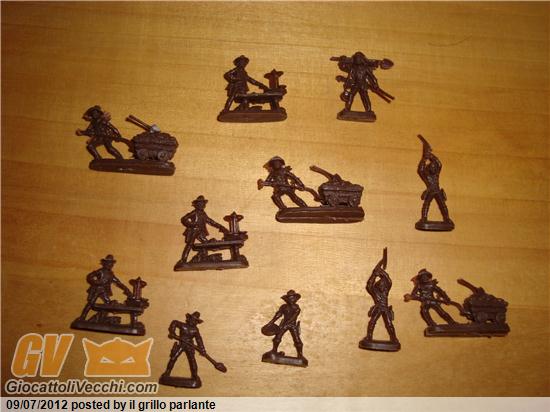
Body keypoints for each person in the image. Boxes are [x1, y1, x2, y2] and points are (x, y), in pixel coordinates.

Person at [78, 255, 132, 320]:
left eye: (112, 263)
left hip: (103, 291)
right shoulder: (100, 271)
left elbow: (118, 283)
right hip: (97, 289)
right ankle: (82, 317)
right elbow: (89, 276)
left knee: (108, 303)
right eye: (109, 263)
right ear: (105, 263)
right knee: (91, 303)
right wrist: (96, 282)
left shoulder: (111, 274)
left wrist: (126, 290)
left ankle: (102, 317)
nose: (111, 265)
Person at [177, 196, 228, 264]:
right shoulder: (194, 212)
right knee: (189, 244)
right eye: (201, 204)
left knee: (205, 243)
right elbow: (184, 219)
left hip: (200, 232)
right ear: (197, 205)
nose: (203, 205)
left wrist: (221, 227)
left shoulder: (203, 213)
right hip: (193, 231)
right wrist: (192, 224)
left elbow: (211, 221)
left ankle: (203, 257)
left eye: (203, 204)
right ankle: (183, 260)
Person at [161, 312, 206, 383]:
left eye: (194, 320)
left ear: (196, 322)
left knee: (192, 360)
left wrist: (202, 349)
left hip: (190, 346)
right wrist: (172, 332)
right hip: (181, 344)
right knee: (173, 358)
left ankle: (194, 376)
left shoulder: (195, 330)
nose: (192, 321)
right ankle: (167, 373)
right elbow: (174, 322)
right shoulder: (183, 325)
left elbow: (199, 339)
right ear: (189, 318)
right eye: (192, 319)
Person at [364, 250, 398, 343]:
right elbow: (369, 285)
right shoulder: (375, 292)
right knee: (372, 322)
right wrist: (374, 275)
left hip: (385, 309)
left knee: (389, 324)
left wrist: (382, 272)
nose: (383, 286)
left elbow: (389, 280)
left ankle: (394, 338)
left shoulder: (386, 291)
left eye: (384, 284)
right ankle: (369, 337)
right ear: (378, 286)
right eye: (381, 284)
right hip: (378, 308)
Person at [417, 136, 453, 224]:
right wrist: (424, 159)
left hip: (437, 191)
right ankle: (424, 218)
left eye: (434, 167)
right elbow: (420, 170)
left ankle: (447, 218)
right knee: (426, 205)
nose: (433, 168)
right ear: (429, 168)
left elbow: (439, 164)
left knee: (443, 206)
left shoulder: (436, 173)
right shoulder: (426, 175)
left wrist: (430, 156)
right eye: (432, 167)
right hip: (430, 191)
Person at [264, 290, 305, 359]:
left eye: (293, 298)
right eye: (290, 298)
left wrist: (285, 325)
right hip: (284, 324)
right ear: (287, 299)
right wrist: (271, 322)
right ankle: (274, 350)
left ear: (295, 299)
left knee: (297, 339)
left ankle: (300, 354)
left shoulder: (297, 308)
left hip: (292, 325)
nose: (291, 300)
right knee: (277, 337)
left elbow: (293, 318)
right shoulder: (284, 307)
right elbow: (278, 314)